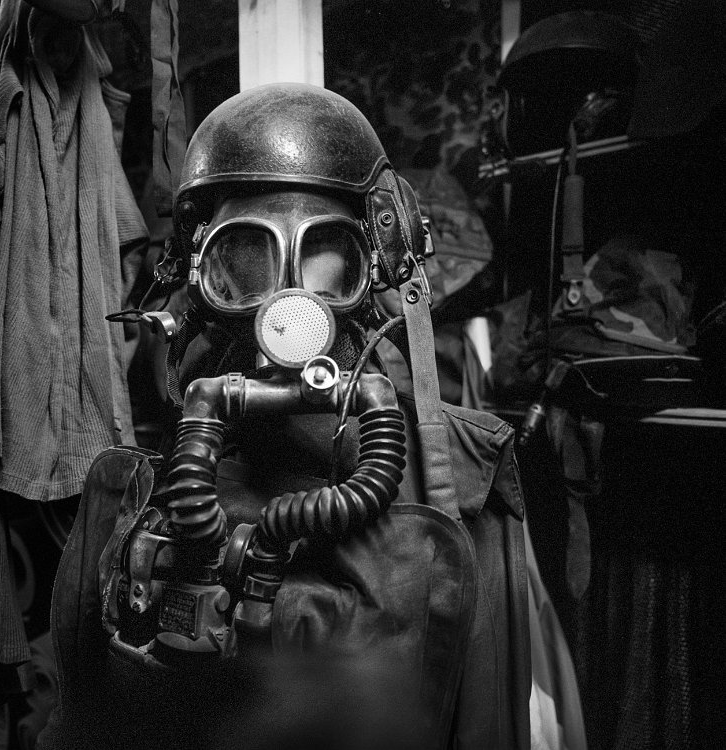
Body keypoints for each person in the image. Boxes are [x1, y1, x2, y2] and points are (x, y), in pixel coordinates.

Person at [37, 82, 530, 750]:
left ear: (376, 263)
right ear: (200, 276)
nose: (287, 299)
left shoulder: (459, 473)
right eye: (246, 254)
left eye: (324, 249)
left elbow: (486, 715)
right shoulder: (135, 488)